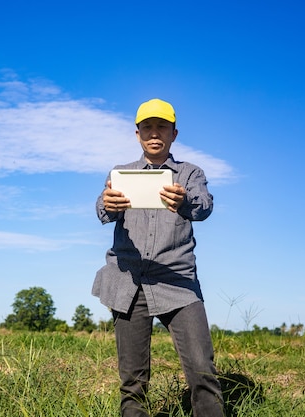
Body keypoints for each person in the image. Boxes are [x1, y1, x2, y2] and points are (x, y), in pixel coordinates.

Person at [92, 98, 224, 416]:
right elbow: (101, 209)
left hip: (177, 282)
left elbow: (204, 206)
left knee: (202, 371)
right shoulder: (121, 173)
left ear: (173, 134)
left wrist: (185, 200)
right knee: (132, 383)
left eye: (161, 127)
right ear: (137, 134)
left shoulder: (190, 174)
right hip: (128, 282)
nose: (154, 133)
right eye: (147, 127)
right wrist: (109, 204)